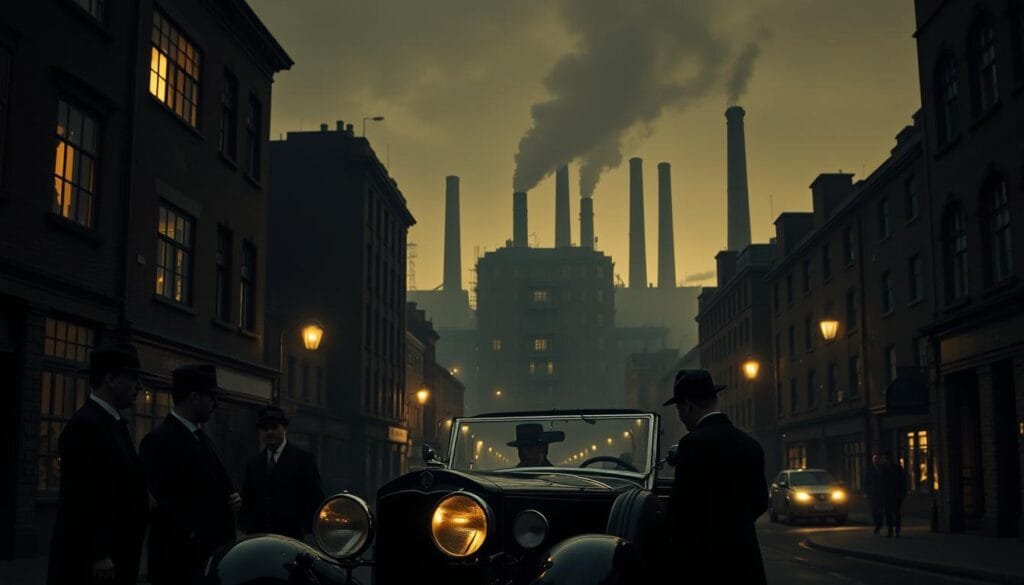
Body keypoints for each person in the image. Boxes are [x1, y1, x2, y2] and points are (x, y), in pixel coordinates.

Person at [47, 343, 150, 585]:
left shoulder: (112, 423)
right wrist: (98, 552)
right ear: (111, 379)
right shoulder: (87, 425)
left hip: (116, 556)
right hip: (94, 565)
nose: (139, 387)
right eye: (132, 378)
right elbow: (81, 496)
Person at [664, 369, 768, 584]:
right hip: (746, 561)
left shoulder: (691, 444)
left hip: (705, 564)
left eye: (679, 409)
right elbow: (760, 503)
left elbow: (681, 509)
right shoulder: (751, 445)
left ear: (688, 406)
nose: (680, 417)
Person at [140, 364, 241, 584]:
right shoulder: (159, 441)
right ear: (194, 397)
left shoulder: (201, 436)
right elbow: (161, 505)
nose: (215, 404)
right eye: (211, 397)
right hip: (180, 562)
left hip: (207, 558)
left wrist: (231, 499)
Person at [240, 405, 325, 539]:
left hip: (291, 540)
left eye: (274, 427)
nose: (269, 432)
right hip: (258, 539)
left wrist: (304, 530)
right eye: (264, 428)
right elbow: (247, 500)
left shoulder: (304, 460)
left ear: (284, 428)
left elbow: (315, 499)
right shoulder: (253, 464)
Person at [879, 450, 908, 537]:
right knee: (892, 513)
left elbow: (902, 481)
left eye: (886, 458)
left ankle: (894, 530)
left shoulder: (894, 468)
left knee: (894, 513)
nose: (886, 460)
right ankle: (893, 530)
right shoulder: (888, 469)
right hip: (890, 494)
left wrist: (903, 492)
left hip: (894, 494)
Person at [864, 453, 883, 534]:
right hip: (873, 493)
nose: (876, 461)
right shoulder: (869, 470)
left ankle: (879, 524)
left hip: (881, 493)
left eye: (877, 459)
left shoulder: (883, 469)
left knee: (880, 510)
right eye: (874, 459)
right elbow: (866, 481)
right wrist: (866, 492)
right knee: (874, 510)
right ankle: (877, 524)